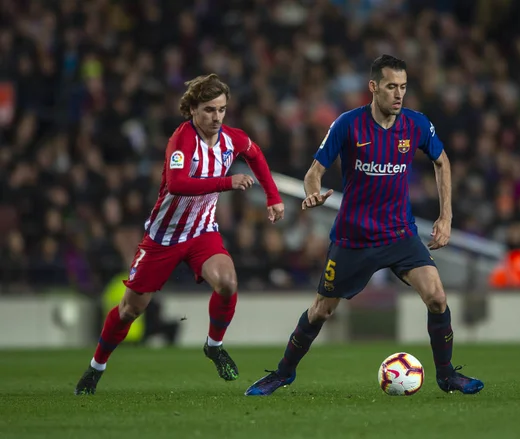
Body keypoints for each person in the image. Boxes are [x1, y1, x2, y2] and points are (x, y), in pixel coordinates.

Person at [245, 55, 484, 396]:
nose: (398, 94)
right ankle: (283, 373)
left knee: (436, 296)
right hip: (354, 237)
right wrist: (313, 195)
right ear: (373, 87)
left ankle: (446, 375)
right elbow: (314, 173)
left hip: (400, 233)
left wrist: (445, 217)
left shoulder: (415, 125)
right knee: (321, 310)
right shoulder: (347, 124)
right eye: (391, 87)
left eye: (403, 87)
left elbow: (442, 162)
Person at [75, 74, 285, 395]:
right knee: (131, 309)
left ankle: (214, 346)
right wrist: (227, 182)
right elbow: (177, 184)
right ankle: (95, 368)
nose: (216, 117)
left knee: (228, 283)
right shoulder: (182, 140)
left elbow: (255, 154)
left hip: (202, 232)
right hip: (163, 238)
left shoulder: (233, 138)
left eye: (222, 110)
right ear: (193, 111)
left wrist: (273, 197)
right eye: (209, 110)